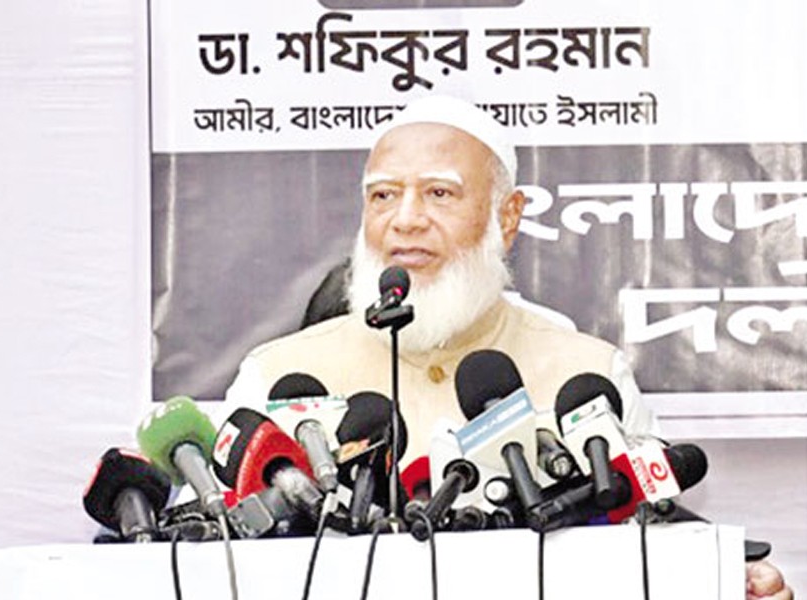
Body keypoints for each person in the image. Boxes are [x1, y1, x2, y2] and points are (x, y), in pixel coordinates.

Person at [222, 95, 792, 599]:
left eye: (439, 193)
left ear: (508, 216)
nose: (406, 219)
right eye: (383, 195)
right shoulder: (277, 376)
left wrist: (724, 580)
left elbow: (651, 541)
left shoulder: (585, 372)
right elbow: (208, 558)